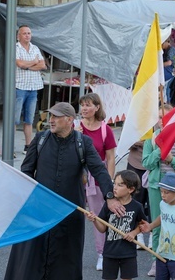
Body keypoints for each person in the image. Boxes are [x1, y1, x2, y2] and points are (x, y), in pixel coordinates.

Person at [5, 102, 123, 280]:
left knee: (66, 259)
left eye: (55, 117)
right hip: (40, 210)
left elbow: (99, 170)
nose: (50, 120)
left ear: (69, 120)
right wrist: (25, 198)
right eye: (50, 116)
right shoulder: (40, 139)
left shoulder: (83, 142)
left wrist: (110, 197)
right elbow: (27, 170)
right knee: (32, 257)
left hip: (69, 212)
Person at [142, 104, 175, 277]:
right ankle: (157, 261)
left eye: (166, 117)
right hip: (157, 187)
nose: (162, 121)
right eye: (159, 117)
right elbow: (146, 163)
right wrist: (159, 151)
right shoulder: (152, 139)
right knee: (158, 225)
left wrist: (172, 159)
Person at [76, 93, 118, 270]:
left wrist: (108, 183)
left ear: (97, 108)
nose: (84, 108)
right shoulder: (75, 127)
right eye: (82, 105)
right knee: (75, 215)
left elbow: (110, 159)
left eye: (88, 105)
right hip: (77, 177)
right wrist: (73, 136)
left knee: (98, 216)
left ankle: (102, 253)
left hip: (97, 178)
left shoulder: (104, 129)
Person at [84, 170, 147, 280]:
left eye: (120, 185)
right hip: (109, 252)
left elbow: (144, 224)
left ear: (131, 189)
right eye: (114, 183)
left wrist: (134, 232)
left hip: (128, 253)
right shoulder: (109, 206)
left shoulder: (137, 207)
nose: (115, 187)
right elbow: (102, 229)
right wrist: (94, 220)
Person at [140, 173, 175, 280]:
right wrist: (151, 226)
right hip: (162, 253)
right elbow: (162, 216)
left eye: (166, 192)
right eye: (161, 191)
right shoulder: (163, 204)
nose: (163, 195)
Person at [15, 25, 47, 154]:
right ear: (19, 36)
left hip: (33, 86)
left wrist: (28, 66)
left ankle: (28, 146)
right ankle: (10, 147)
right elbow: (19, 64)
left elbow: (43, 65)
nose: (27, 35)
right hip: (20, 86)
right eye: (24, 33)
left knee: (29, 119)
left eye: (29, 33)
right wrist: (33, 62)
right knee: (15, 119)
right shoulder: (15, 48)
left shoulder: (35, 48)